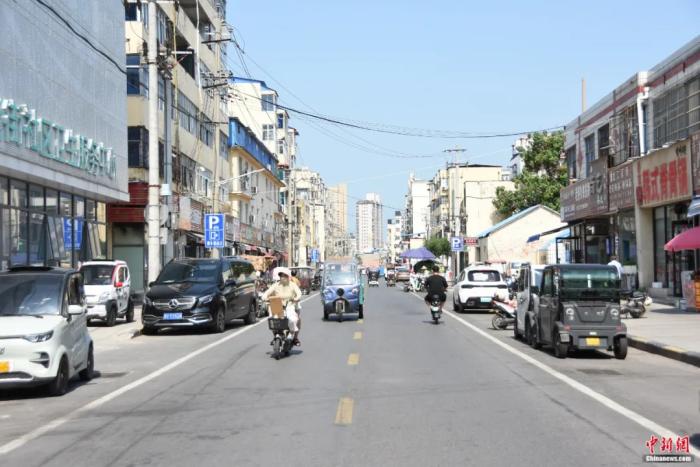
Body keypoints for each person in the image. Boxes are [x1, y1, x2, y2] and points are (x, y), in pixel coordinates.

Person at [262, 268, 302, 345]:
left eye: (284, 276)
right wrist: (264, 297)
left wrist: (296, 298)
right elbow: (267, 293)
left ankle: (292, 334)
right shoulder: (275, 285)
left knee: (292, 319)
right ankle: (275, 335)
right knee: (273, 320)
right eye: (281, 276)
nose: (282, 277)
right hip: (277, 305)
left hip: (289, 305)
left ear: (288, 276)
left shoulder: (293, 285)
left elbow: (299, 293)